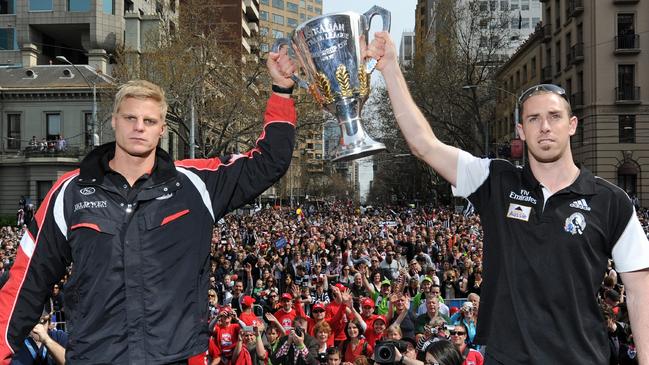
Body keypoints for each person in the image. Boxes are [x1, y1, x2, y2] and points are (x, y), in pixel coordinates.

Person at [0, 49, 298, 364]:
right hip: (96, 356)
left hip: (177, 356)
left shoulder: (195, 186)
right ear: (113, 122)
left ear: (162, 129)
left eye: (149, 120)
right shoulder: (70, 192)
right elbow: (26, 282)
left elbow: (268, 163)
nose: (139, 127)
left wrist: (281, 90)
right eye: (130, 118)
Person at [367, 31, 649, 364]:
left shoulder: (611, 201)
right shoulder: (495, 180)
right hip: (506, 356)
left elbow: (640, 289)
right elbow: (424, 145)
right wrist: (390, 69)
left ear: (572, 125)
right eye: (533, 119)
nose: (544, 126)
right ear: (521, 131)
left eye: (554, 117)